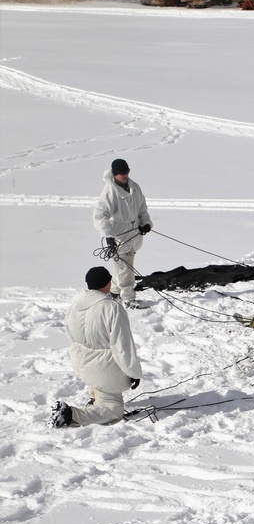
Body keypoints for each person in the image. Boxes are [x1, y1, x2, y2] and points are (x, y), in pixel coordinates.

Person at [51, 267, 143, 428]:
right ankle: (70, 414)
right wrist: (133, 372)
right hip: (107, 368)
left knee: (99, 384)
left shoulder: (74, 307)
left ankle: (95, 396)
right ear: (107, 283)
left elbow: (71, 337)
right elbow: (122, 345)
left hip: (82, 364)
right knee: (113, 410)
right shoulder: (111, 307)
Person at [93, 158, 152, 308]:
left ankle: (114, 292)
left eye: (126, 172)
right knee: (125, 267)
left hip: (134, 232)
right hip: (119, 234)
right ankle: (128, 299)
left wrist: (145, 223)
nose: (125, 176)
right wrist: (109, 236)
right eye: (121, 173)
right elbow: (100, 216)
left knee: (122, 265)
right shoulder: (110, 191)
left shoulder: (135, 188)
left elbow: (142, 209)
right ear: (114, 174)